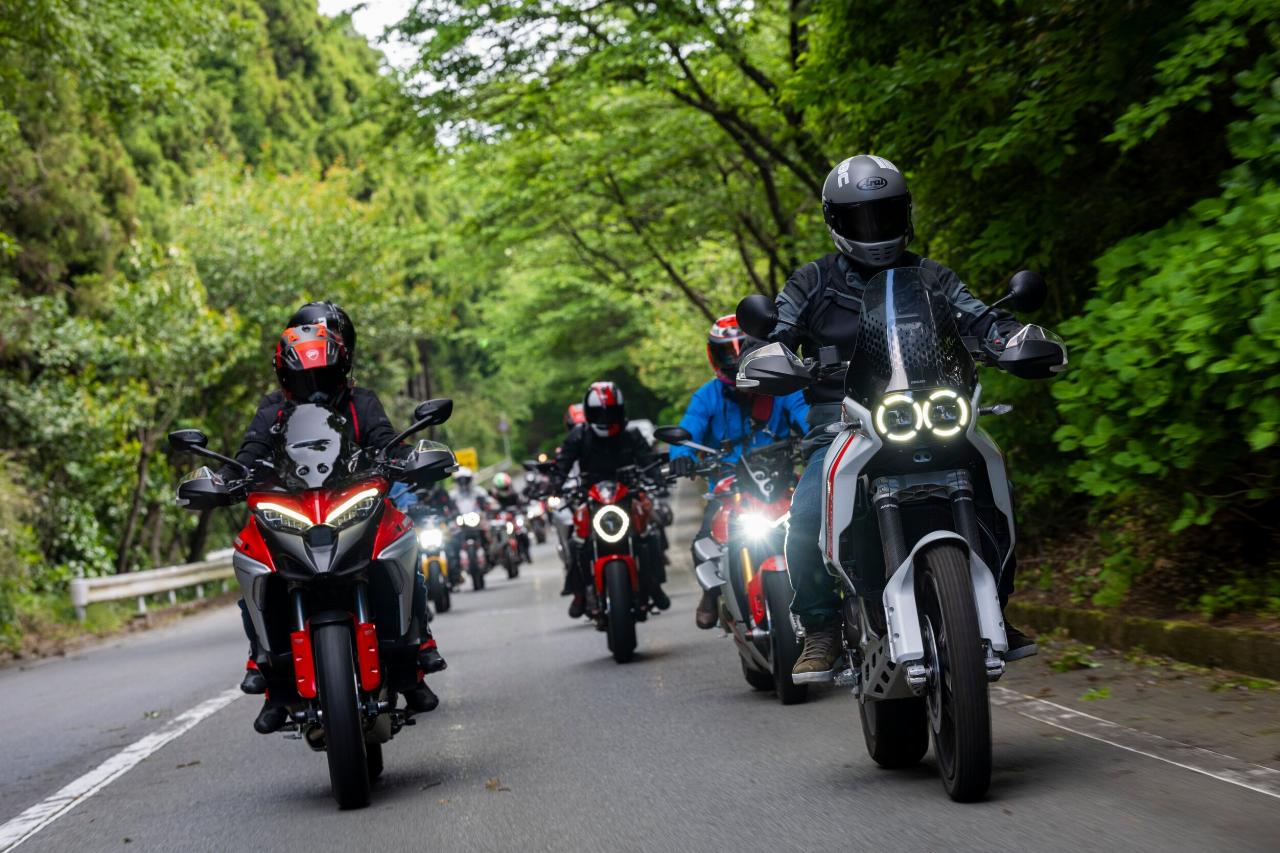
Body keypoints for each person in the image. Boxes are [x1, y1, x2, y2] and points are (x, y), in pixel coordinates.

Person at [755, 155, 1041, 681]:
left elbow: (980, 316)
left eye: (885, 214)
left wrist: (1010, 339)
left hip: (932, 409)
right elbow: (778, 331)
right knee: (806, 515)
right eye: (861, 218)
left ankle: (994, 605)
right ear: (835, 221)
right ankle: (820, 626)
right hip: (843, 420)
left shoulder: (931, 276)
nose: (875, 229)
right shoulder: (812, 281)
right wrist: (771, 355)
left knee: (996, 487)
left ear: (905, 213)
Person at [225, 301, 446, 732]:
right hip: (293, 509)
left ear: (341, 367)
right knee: (253, 557)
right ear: (284, 375)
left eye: (323, 377)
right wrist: (228, 477)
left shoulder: (362, 401)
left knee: (401, 542)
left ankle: (415, 653)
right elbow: (249, 453)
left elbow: (385, 439)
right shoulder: (272, 409)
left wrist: (406, 457)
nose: (314, 388)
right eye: (303, 379)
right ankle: (269, 671)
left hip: (354, 503)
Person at [667, 315, 809, 629]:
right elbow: (688, 430)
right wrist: (681, 457)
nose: (736, 360)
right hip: (729, 486)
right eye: (728, 353)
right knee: (703, 540)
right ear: (714, 355)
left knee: (819, 521)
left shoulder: (781, 387)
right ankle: (711, 592)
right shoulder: (707, 396)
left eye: (743, 350)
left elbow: (807, 416)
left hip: (780, 479)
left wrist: (818, 437)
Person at [552, 381, 669, 618]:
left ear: (621, 411)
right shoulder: (578, 436)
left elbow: (647, 461)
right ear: (589, 413)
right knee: (577, 542)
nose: (605, 418)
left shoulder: (631, 435)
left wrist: (658, 479)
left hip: (627, 494)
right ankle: (580, 593)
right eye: (599, 413)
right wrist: (553, 485)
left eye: (611, 412)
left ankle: (654, 585)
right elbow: (562, 465)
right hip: (591, 497)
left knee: (648, 535)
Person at [490, 472, 531, 562]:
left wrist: (523, 509)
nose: (504, 490)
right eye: (502, 488)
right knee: (494, 533)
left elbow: (522, 503)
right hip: (502, 521)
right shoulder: (494, 497)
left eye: (505, 487)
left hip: (514, 519)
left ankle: (526, 552)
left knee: (523, 532)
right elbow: (490, 508)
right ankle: (496, 556)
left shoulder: (515, 495)